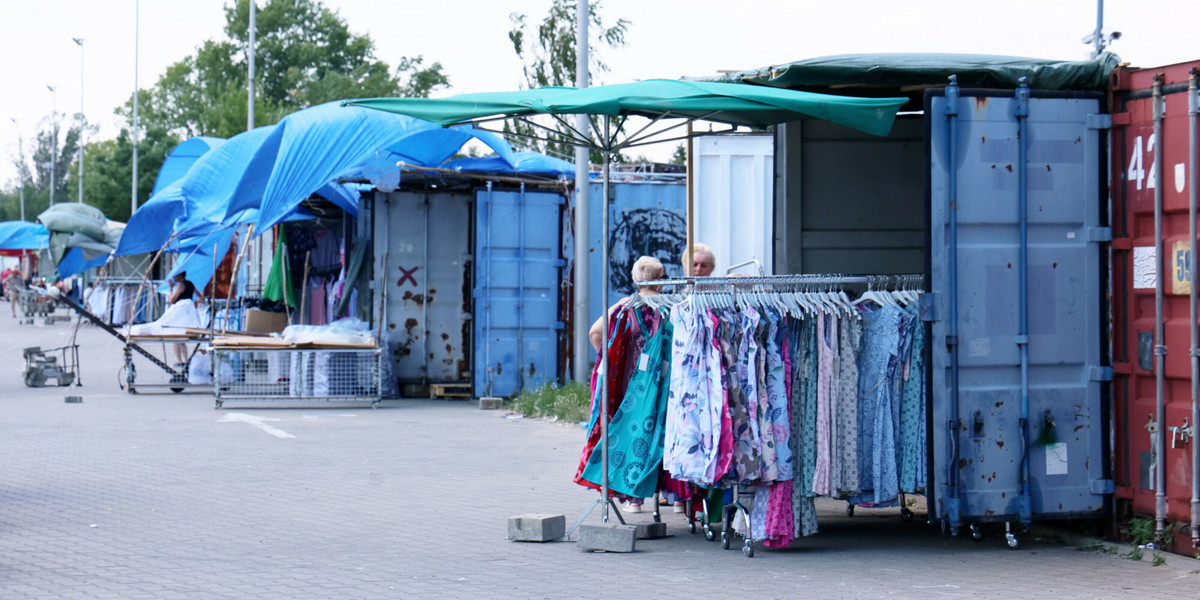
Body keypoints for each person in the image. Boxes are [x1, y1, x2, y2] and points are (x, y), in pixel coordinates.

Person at [588, 256, 665, 353]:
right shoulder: (668, 307)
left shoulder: (624, 305)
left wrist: (610, 360)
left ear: (635, 279)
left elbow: (594, 333)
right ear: (660, 280)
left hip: (629, 366)